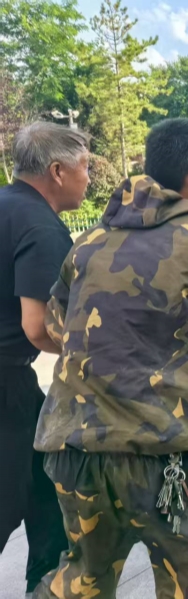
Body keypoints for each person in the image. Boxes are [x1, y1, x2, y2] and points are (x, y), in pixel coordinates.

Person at [33, 118, 188, 598]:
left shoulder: (88, 244)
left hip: (76, 452)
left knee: (83, 582)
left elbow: (56, 326)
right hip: (171, 459)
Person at [0, 122, 87, 596]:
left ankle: (46, 582)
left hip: (15, 381)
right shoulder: (41, 225)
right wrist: (95, 350)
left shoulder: (5, 204)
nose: (88, 178)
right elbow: (37, 327)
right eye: (85, 168)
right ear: (57, 171)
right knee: (12, 496)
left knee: (45, 482)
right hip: (5, 383)